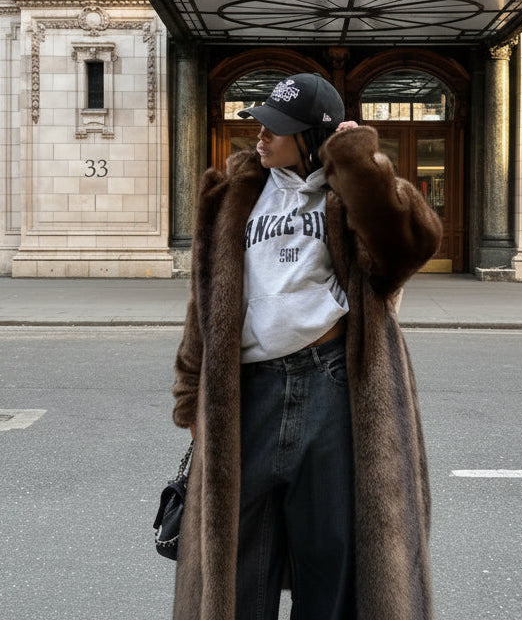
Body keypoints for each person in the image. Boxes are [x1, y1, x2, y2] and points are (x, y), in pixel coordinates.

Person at [171, 72, 442, 620]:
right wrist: (188, 396)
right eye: (262, 123)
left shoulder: (345, 199)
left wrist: (359, 163)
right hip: (248, 394)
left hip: (332, 386)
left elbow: (407, 246)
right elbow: (204, 304)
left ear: (313, 137)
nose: (261, 135)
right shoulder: (232, 195)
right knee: (241, 569)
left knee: (332, 562)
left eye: (278, 128)